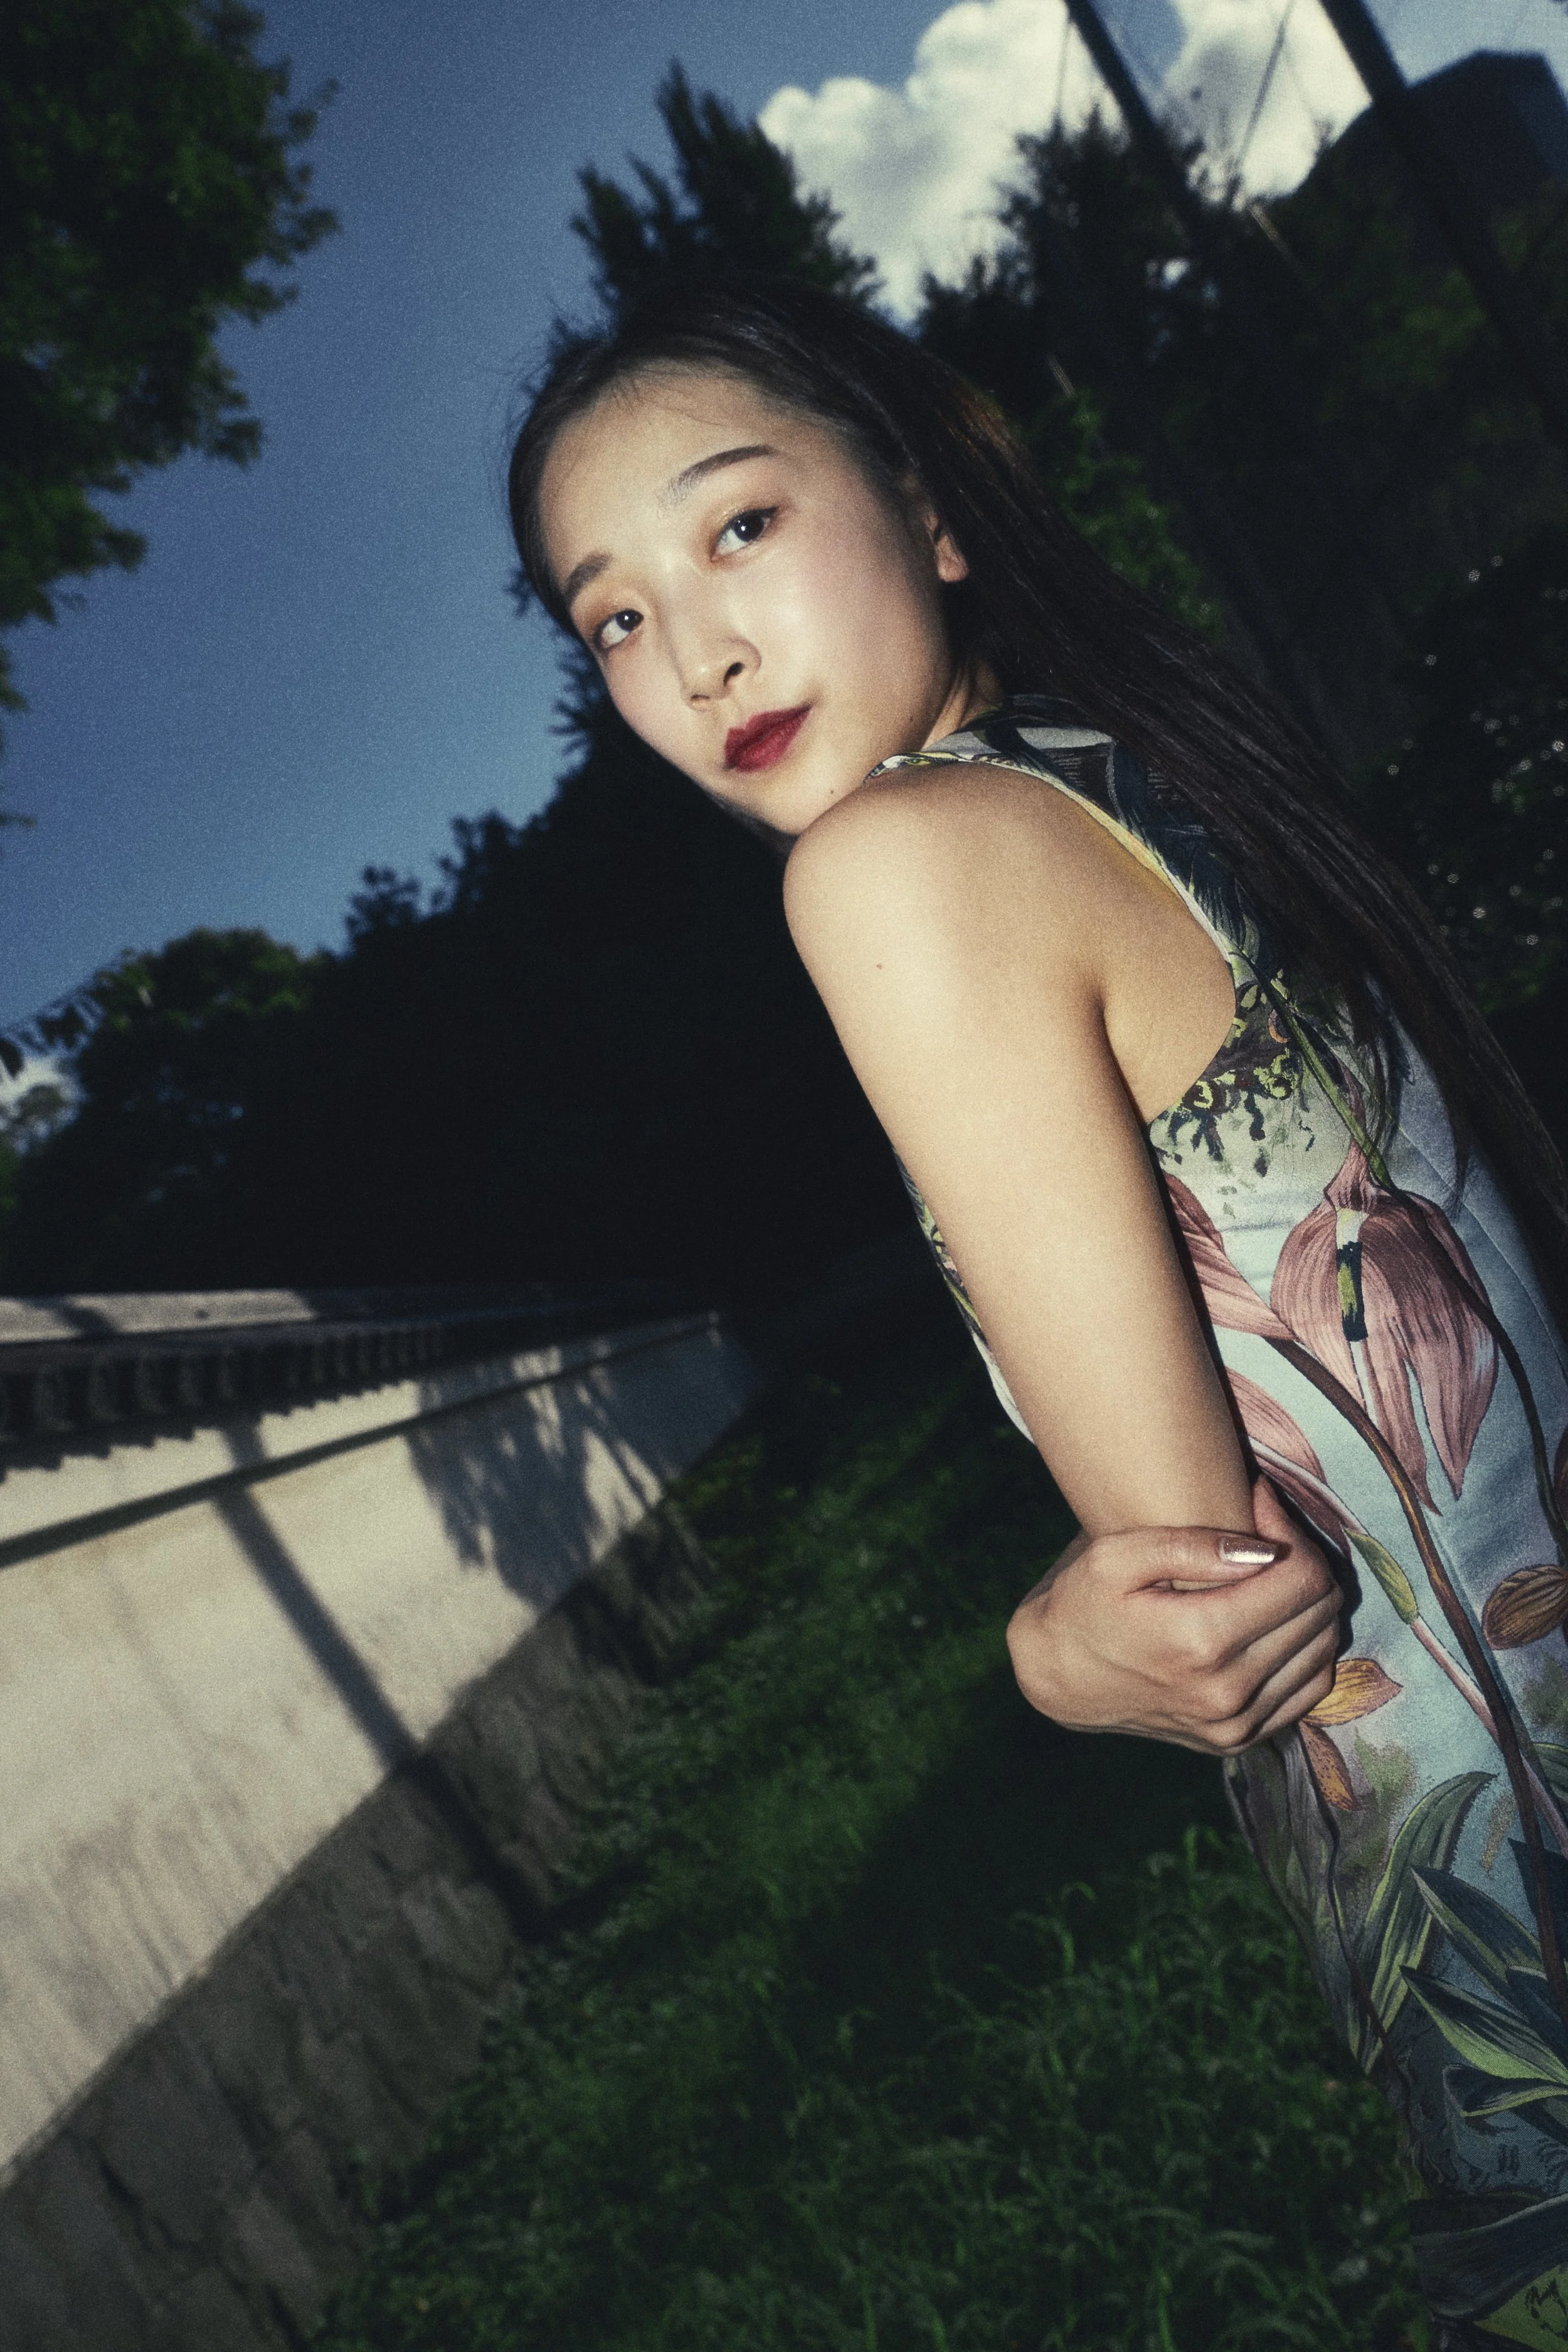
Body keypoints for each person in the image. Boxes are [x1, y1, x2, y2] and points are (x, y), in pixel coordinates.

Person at [508, 273, 1568, 2345]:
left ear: (931, 511)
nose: (694, 648)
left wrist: (1045, 1650)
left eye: (735, 527)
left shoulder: (899, 867)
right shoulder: (1137, 772)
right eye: (611, 616)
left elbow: (1205, 1603)